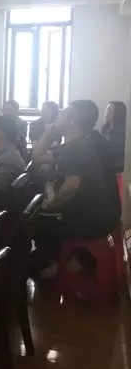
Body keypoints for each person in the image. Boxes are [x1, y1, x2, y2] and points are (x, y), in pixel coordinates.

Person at [32, 100, 119, 276]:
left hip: (94, 219)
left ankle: (71, 264)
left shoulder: (76, 147)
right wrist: (49, 133)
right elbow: (37, 157)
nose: (58, 115)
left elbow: (71, 186)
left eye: (63, 112)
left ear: (72, 121)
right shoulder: (83, 142)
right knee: (44, 216)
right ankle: (71, 260)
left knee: (38, 220)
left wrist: (52, 205)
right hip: (105, 214)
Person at [101, 101, 126, 173]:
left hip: (116, 170)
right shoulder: (105, 129)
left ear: (117, 114)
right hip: (105, 167)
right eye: (106, 110)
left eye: (110, 110)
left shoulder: (121, 132)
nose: (106, 113)